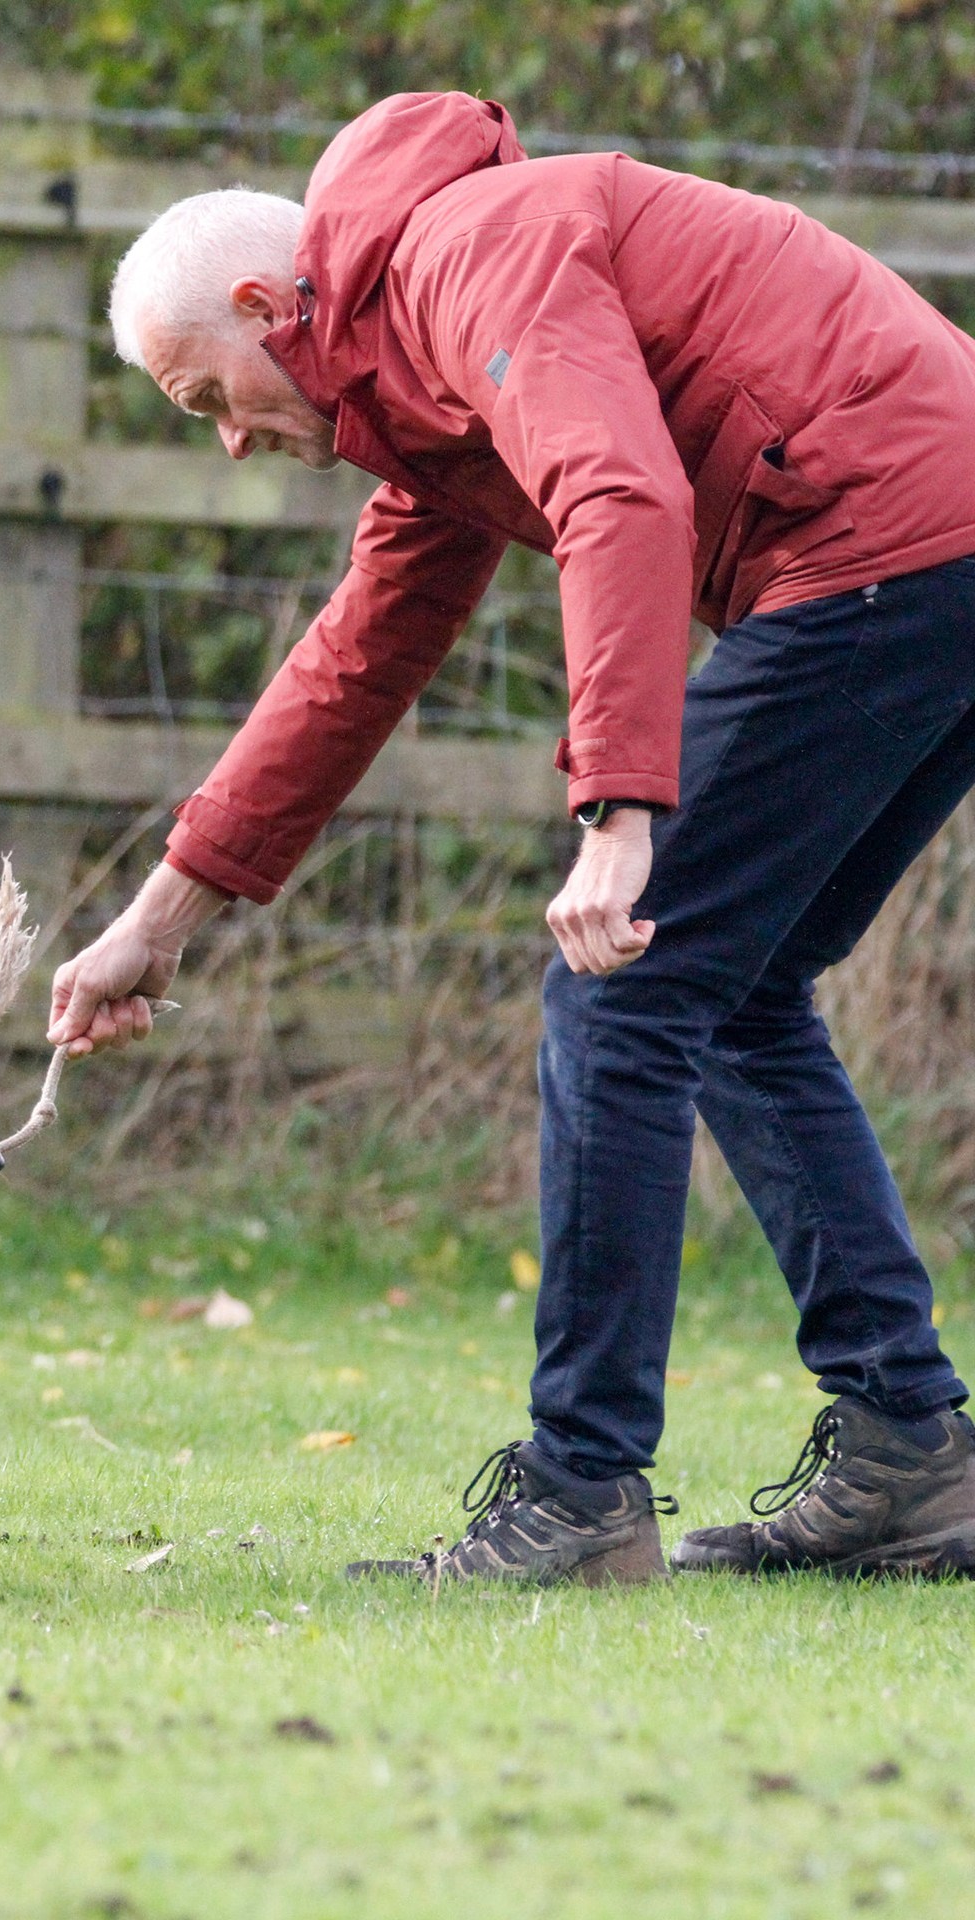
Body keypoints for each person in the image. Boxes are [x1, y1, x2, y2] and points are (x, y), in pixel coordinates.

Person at [48, 90, 975, 1585]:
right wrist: (160, 920)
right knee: (729, 993)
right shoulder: (412, 380)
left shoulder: (475, 250)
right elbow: (353, 662)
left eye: (202, 397)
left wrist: (622, 813)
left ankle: (581, 1493)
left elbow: (622, 490)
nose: (224, 444)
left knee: (620, 983)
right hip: (930, 542)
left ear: (265, 305)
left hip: (881, 536)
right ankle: (909, 1455)